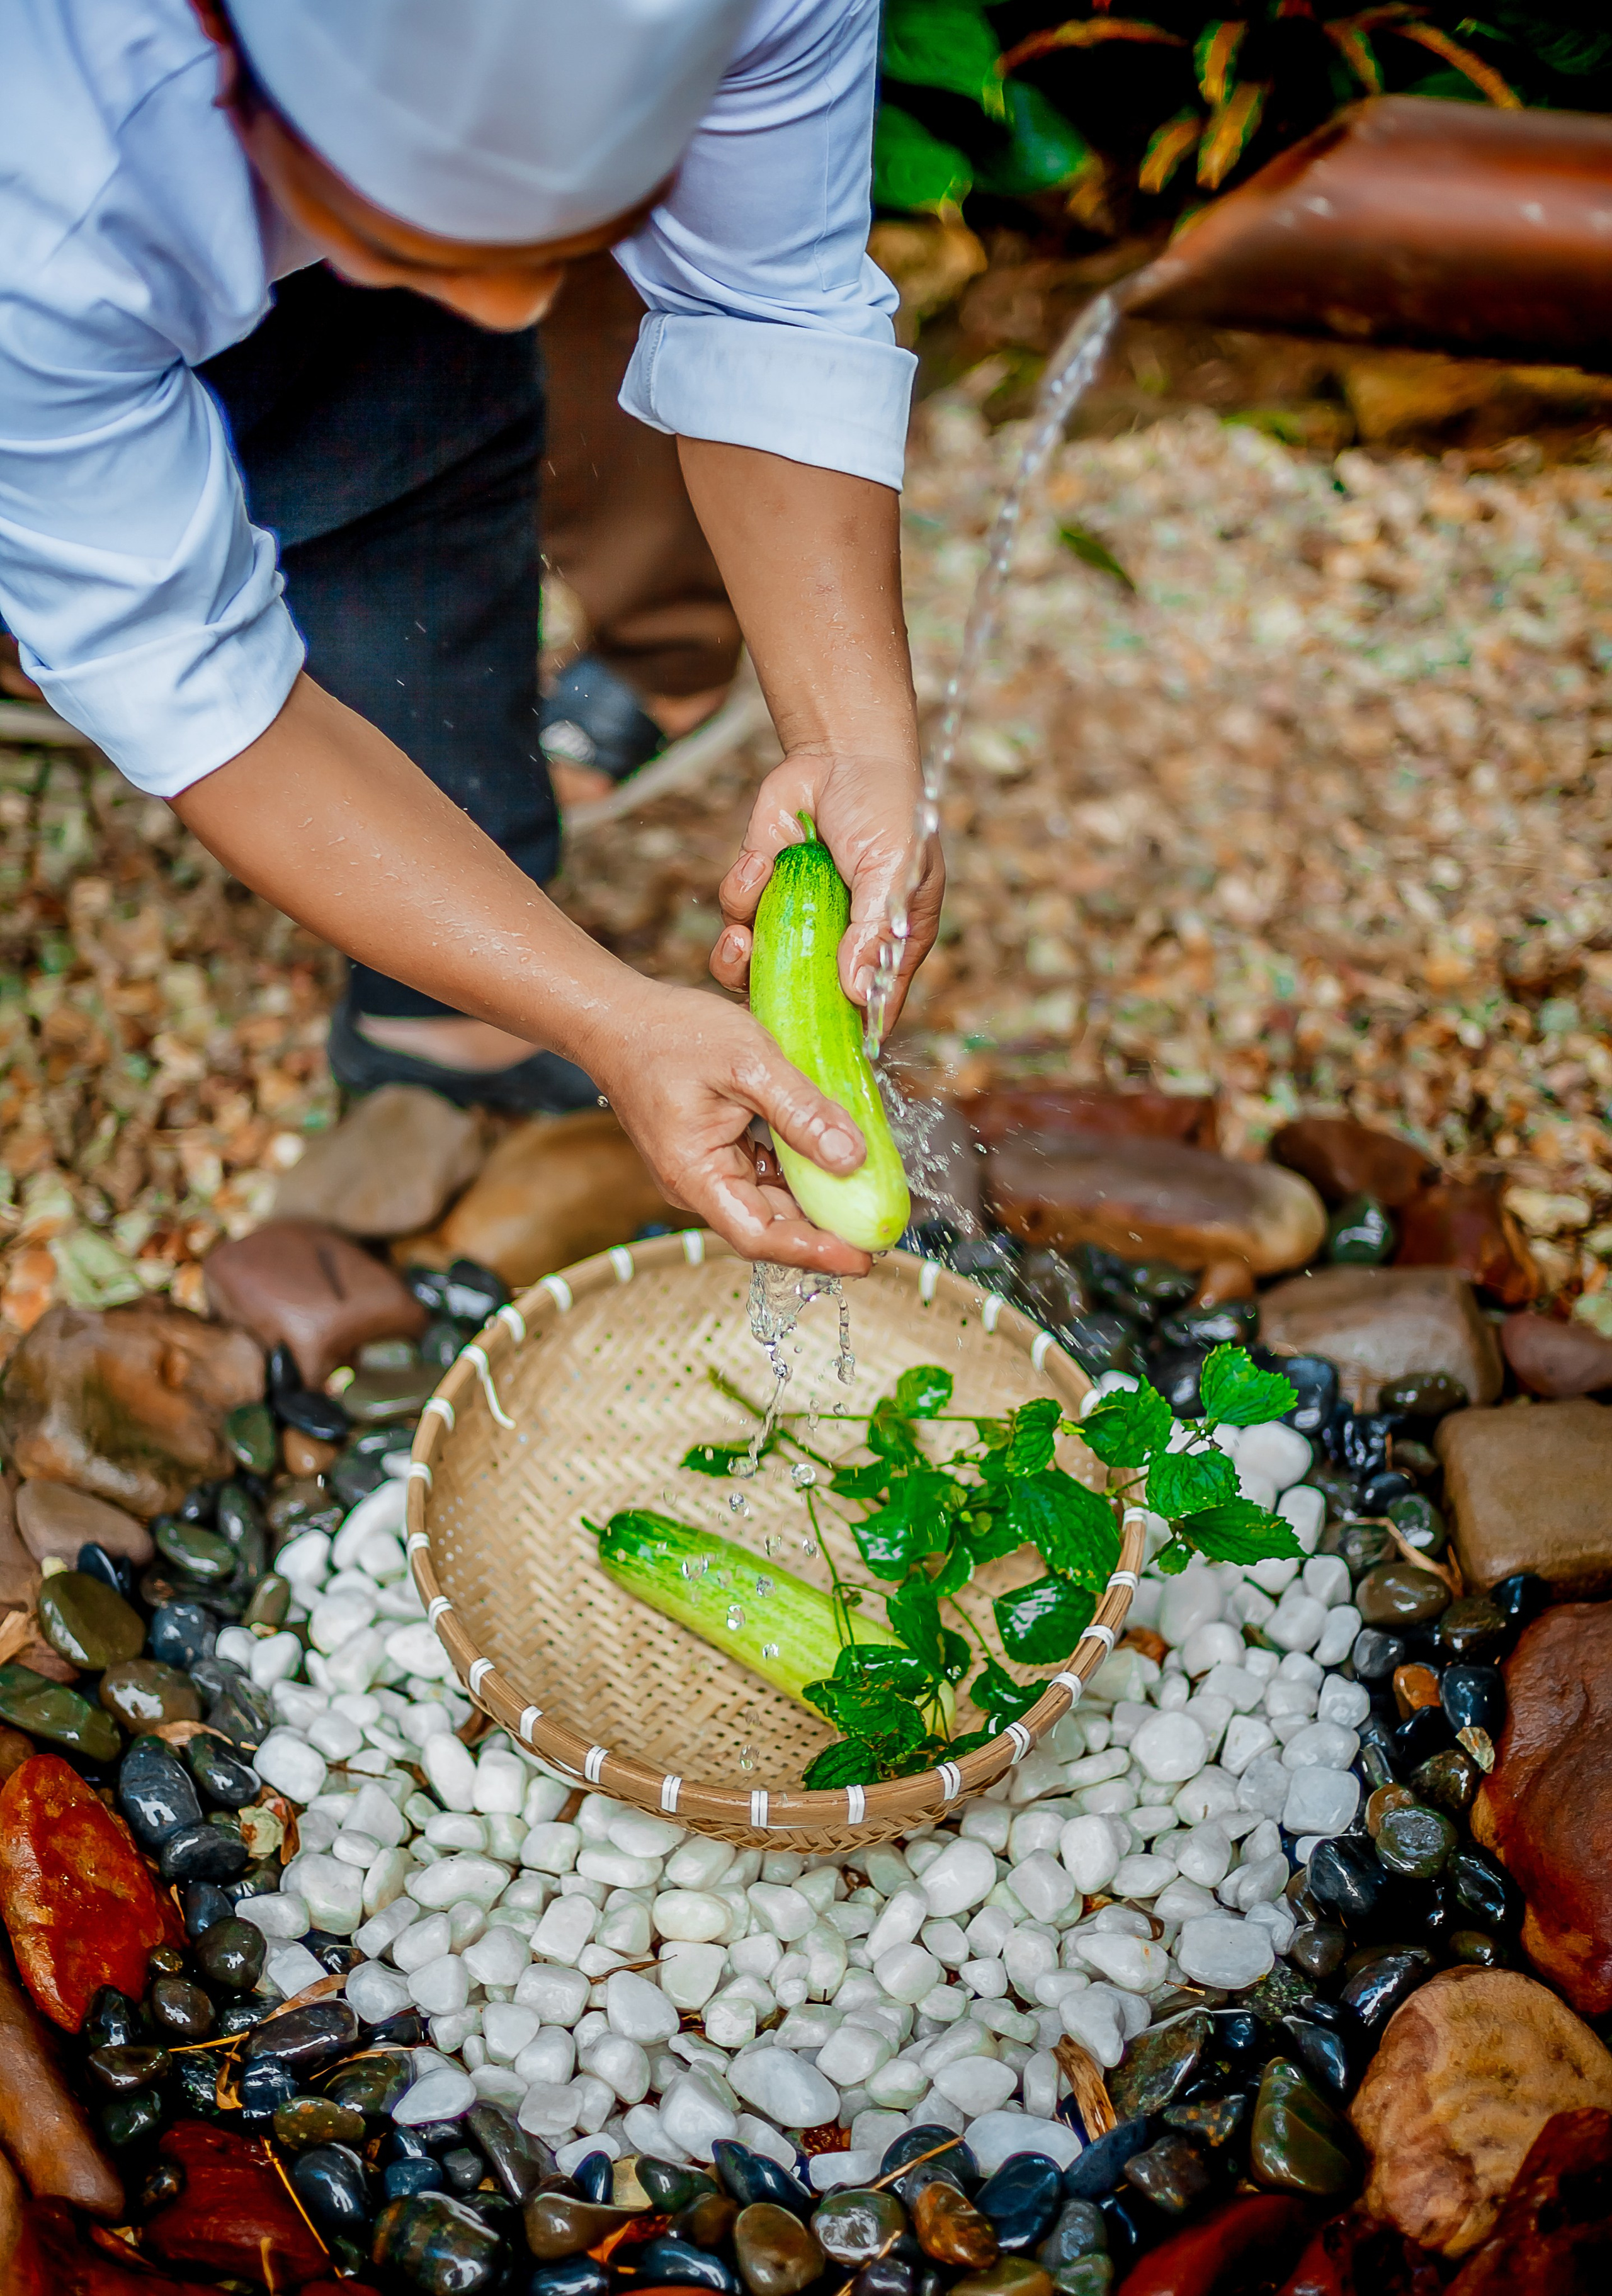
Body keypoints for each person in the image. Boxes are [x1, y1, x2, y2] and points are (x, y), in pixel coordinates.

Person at [0, 0, 943, 1277]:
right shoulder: (47, 185)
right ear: (227, 65)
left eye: (571, 242)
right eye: (414, 237)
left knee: (417, 452)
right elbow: (194, 678)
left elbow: (770, 307)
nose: (513, 313)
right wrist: (611, 1023)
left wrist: (854, 741)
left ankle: (448, 1029)